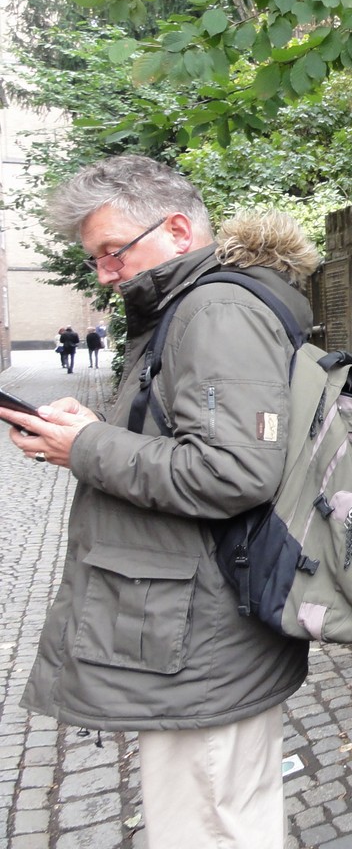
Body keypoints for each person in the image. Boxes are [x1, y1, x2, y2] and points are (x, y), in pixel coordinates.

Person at [0, 156, 316, 849]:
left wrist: (84, 447)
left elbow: (232, 472)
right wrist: (84, 434)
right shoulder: (187, 308)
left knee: (208, 826)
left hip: (200, 635)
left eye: (112, 252)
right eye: (95, 260)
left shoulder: (215, 311)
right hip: (190, 624)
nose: (105, 274)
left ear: (177, 229)